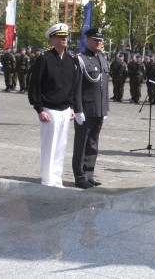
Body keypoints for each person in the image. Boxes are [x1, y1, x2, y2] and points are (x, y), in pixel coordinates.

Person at [28, 23, 78, 188]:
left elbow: (72, 85)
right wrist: (39, 108)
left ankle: (57, 179)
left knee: (60, 147)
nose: (64, 39)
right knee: (49, 147)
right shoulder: (44, 59)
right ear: (52, 40)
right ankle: (47, 180)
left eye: (65, 37)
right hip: (49, 109)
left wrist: (72, 107)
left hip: (64, 109)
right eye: (60, 37)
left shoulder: (70, 60)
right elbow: (35, 85)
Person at [72, 28, 109, 189]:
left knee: (93, 143)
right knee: (81, 144)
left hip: (99, 109)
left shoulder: (102, 58)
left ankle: (89, 174)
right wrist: (78, 109)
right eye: (96, 40)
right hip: (86, 109)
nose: (99, 42)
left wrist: (105, 108)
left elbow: (105, 86)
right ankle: (80, 177)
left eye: (101, 40)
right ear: (88, 41)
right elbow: (76, 87)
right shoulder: (80, 59)